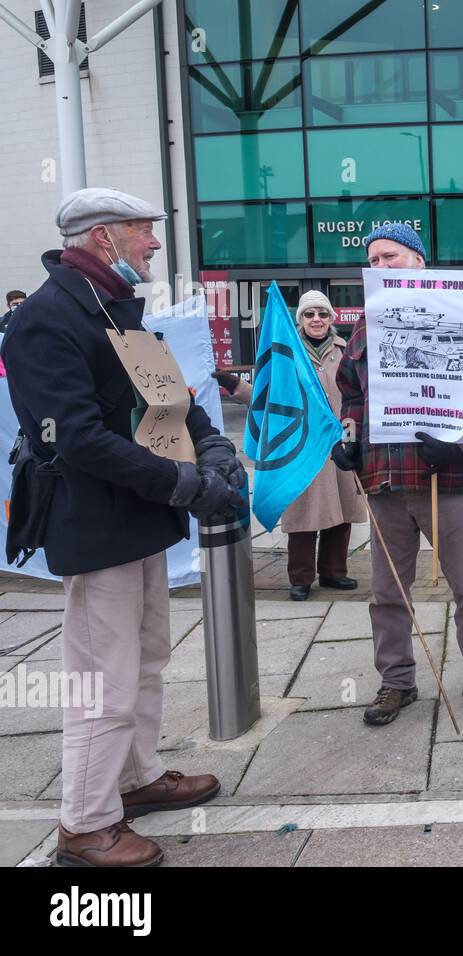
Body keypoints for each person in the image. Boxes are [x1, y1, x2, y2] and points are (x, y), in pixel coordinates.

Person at [1, 187, 244, 866]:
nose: (155, 243)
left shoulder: (115, 306)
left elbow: (166, 392)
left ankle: (135, 779)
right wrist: (182, 483)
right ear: (102, 236)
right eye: (145, 230)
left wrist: (212, 445)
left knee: (146, 657)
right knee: (101, 676)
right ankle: (84, 822)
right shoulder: (47, 319)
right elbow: (75, 438)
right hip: (97, 520)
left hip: (140, 517)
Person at [335, 223, 463, 727]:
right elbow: (351, 392)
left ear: (417, 260)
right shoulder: (367, 325)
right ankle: (396, 681)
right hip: (386, 482)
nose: (380, 266)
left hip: (451, 482)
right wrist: (349, 440)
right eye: (372, 259)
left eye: (389, 256)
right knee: (388, 594)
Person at [215, 290, 364, 601]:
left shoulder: (346, 351)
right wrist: (236, 386)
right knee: (303, 516)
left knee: (341, 513)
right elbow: (267, 396)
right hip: (300, 447)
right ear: (300, 320)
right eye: (309, 314)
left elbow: (361, 394)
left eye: (322, 314)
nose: (316, 320)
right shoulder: (287, 352)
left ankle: (334, 572)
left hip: (340, 445)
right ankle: (301, 578)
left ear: (331, 319)